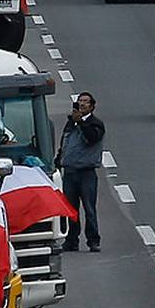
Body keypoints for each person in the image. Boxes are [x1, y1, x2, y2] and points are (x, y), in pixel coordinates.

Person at [56, 92, 106, 252]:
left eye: (85, 102)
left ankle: (93, 240)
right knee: (70, 209)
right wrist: (59, 160)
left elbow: (92, 139)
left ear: (92, 106)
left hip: (86, 173)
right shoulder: (71, 123)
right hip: (70, 172)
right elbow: (65, 142)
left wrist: (82, 123)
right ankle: (72, 240)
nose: (82, 104)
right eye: (80, 101)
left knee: (89, 208)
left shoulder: (95, 123)